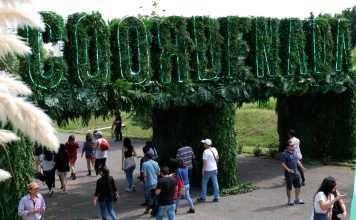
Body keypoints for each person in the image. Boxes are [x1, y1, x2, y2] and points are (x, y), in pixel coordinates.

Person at [281, 140, 306, 206]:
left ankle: (297, 199)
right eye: (291, 146)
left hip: (296, 172)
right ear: (287, 147)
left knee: (298, 186)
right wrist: (289, 170)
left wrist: (302, 167)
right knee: (289, 187)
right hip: (289, 174)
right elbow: (283, 164)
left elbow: (297, 160)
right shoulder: (284, 154)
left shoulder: (294, 152)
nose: (293, 146)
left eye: (293, 145)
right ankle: (289, 200)